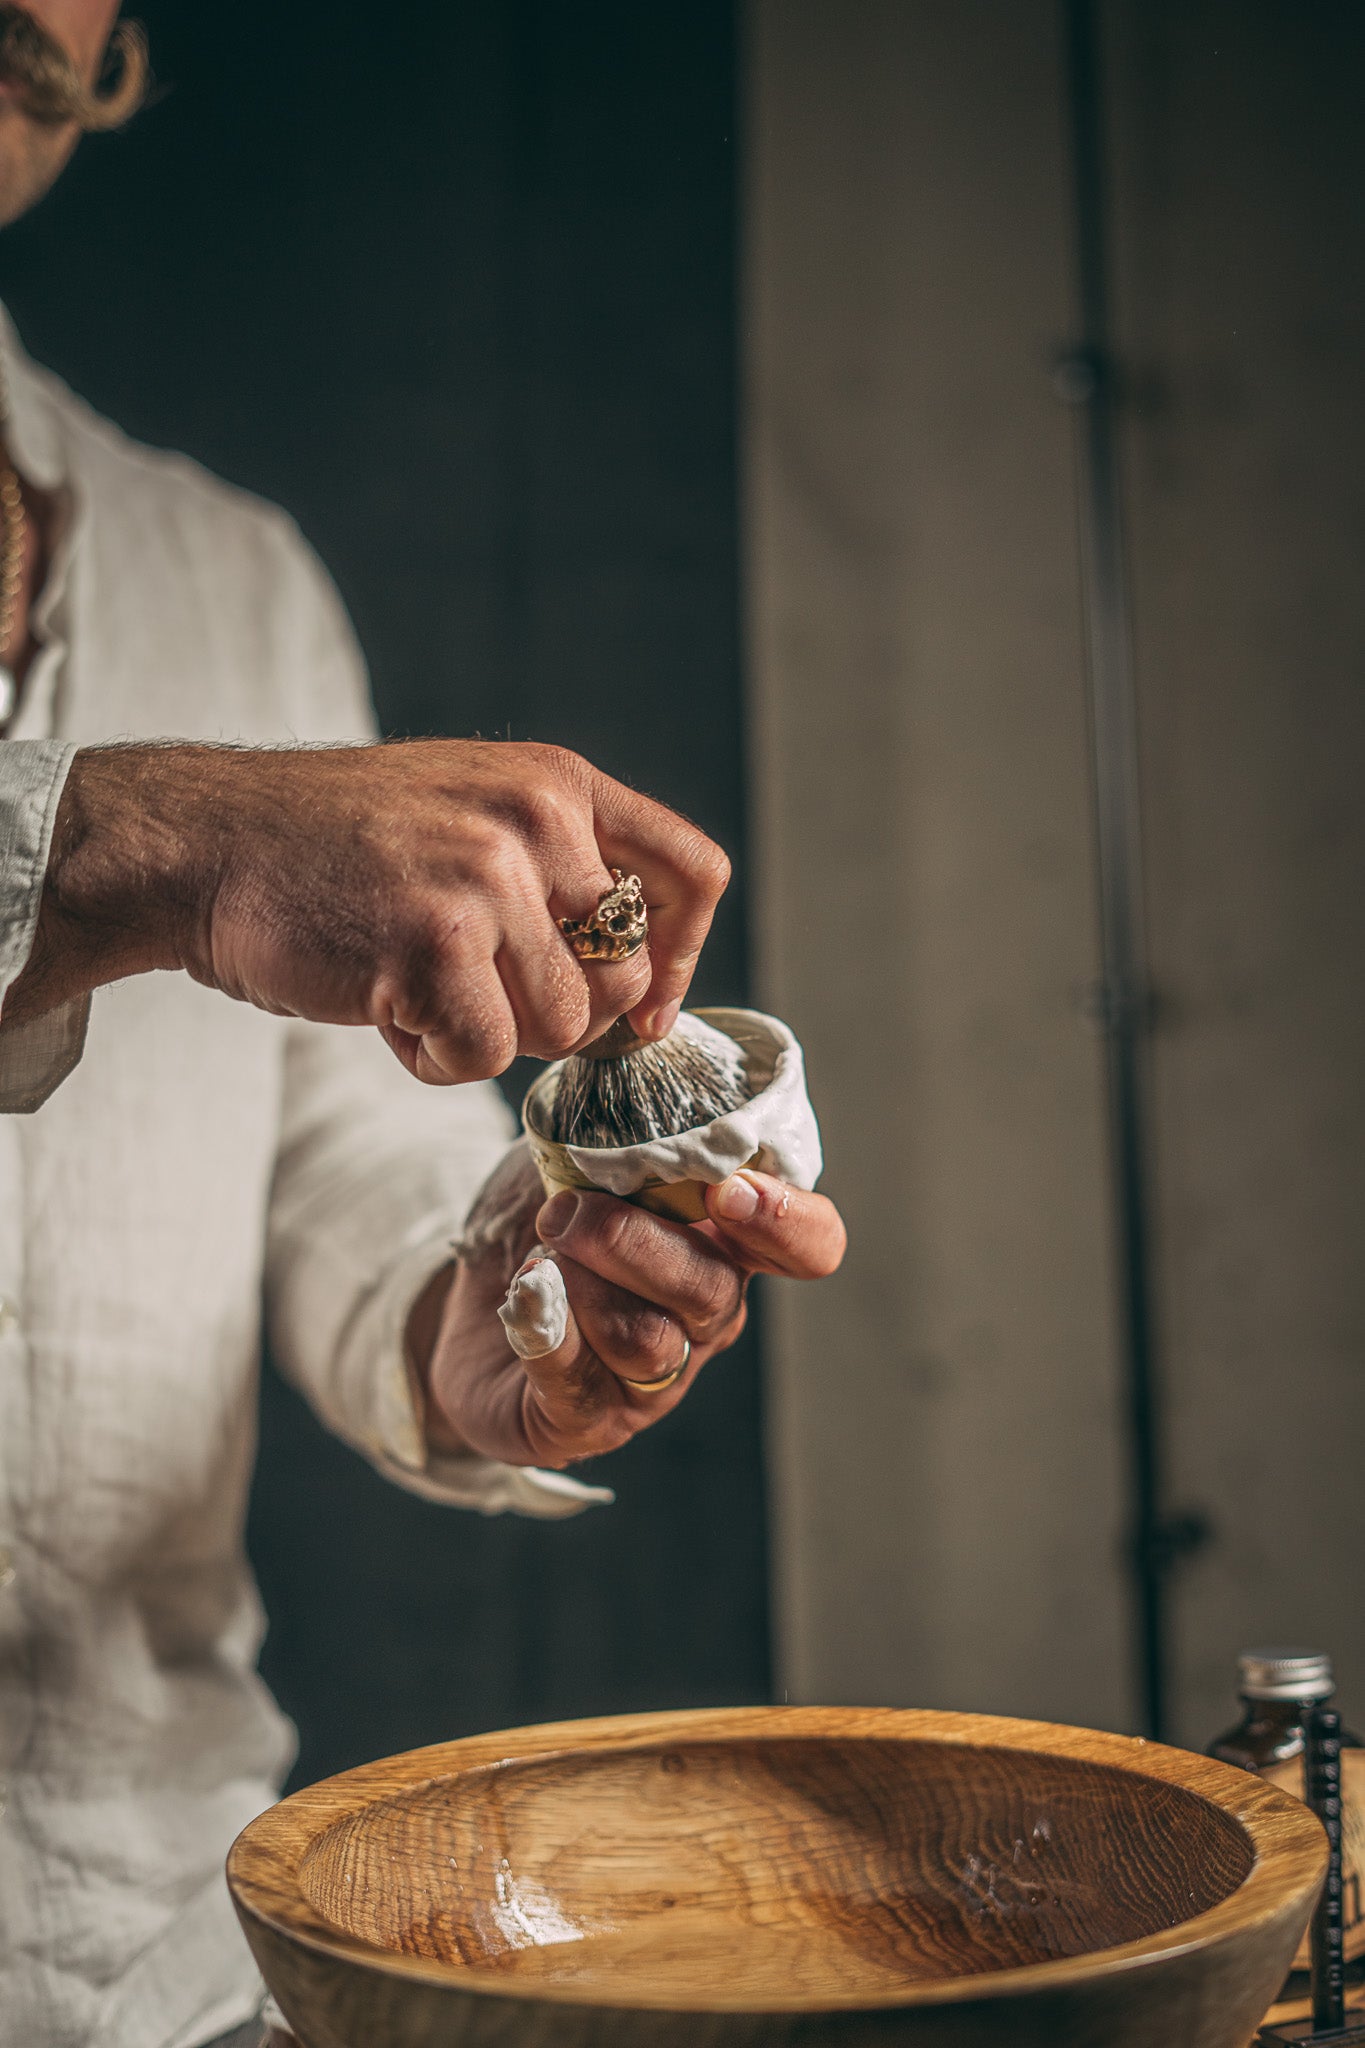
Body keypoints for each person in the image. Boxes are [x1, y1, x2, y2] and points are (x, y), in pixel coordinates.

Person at [0, 8, 847, 2047]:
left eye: (30, 77)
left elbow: (339, 1164)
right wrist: (136, 840)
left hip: (155, 1956)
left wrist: (475, 1308)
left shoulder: (227, 575)